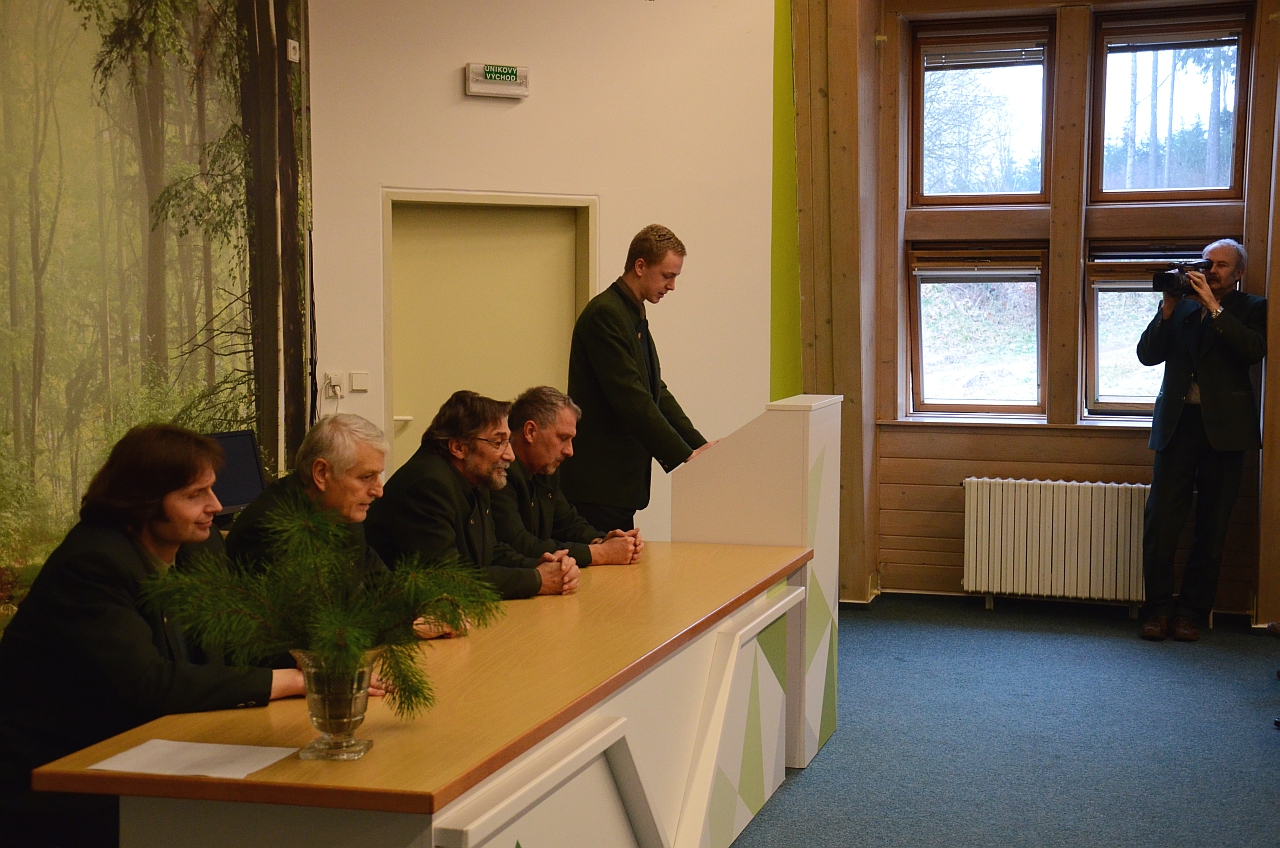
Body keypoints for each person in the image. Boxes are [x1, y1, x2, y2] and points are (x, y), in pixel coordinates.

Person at [0, 425, 307, 848]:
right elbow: (148, 684)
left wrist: (312, 667)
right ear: (143, 502)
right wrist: (288, 681)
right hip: (59, 779)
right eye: (194, 495)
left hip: (151, 755)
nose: (215, 506)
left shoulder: (197, 547)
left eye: (211, 489)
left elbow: (237, 641)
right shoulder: (93, 564)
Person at [1137, 239, 1267, 642]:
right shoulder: (1180, 306)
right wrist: (1168, 308)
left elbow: (1253, 350)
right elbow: (1147, 355)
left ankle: (1190, 614)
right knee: (1161, 523)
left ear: (1239, 273)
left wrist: (1213, 306)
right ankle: (1157, 610)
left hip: (1226, 431)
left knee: (1212, 527)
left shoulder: (1254, 307)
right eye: (1207, 263)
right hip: (1178, 427)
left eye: (1222, 265)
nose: (1212, 270)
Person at [226, 414, 450, 639]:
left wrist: (431, 606)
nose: (379, 491)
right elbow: (315, 630)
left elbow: (382, 586)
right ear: (321, 473)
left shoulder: (339, 511)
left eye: (378, 476)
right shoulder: (270, 529)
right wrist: (410, 627)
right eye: (366, 477)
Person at [561, 224, 718, 532]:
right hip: (598, 484)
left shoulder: (631, 313)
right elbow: (631, 399)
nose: (672, 286)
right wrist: (684, 455)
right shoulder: (607, 314)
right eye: (667, 275)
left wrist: (698, 447)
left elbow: (655, 390)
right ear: (641, 266)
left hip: (615, 486)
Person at [365, 391, 580, 599]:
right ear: (458, 447)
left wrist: (541, 566)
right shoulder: (428, 486)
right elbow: (447, 578)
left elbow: (490, 552)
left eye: (508, 442)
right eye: (498, 442)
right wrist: (537, 579)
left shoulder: (475, 477)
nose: (510, 455)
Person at [493, 386, 643, 566]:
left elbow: (568, 523)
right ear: (530, 431)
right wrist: (601, 553)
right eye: (563, 438)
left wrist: (601, 541)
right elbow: (520, 545)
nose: (570, 451)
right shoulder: (499, 472)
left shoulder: (545, 469)